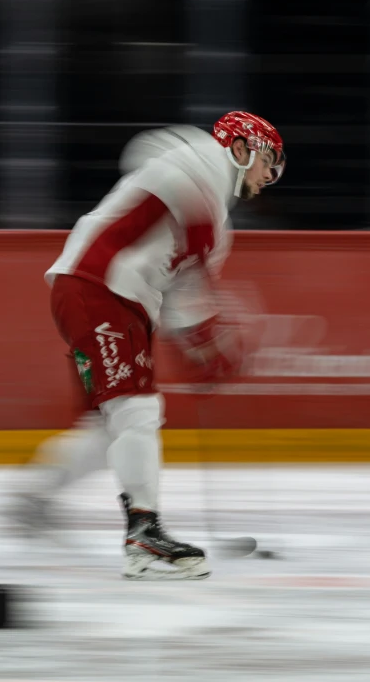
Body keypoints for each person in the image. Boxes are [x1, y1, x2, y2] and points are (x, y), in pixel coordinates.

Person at [15, 112, 285, 579]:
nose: (269, 178)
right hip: (99, 286)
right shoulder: (201, 157)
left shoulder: (218, 226)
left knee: (109, 429)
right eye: (269, 163)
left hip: (110, 297)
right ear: (241, 148)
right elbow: (153, 159)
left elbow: (182, 295)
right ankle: (144, 540)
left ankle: (34, 496)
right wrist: (206, 337)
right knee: (136, 410)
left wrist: (200, 350)